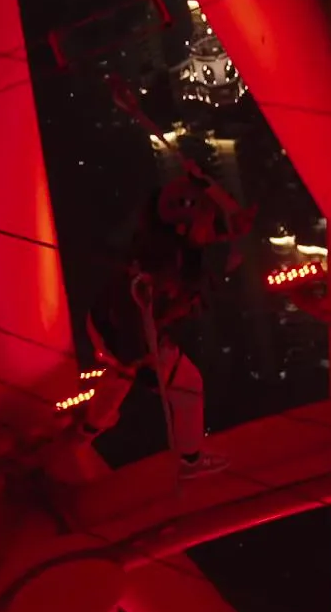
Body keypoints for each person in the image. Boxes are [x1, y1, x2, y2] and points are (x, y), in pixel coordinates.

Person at [67, 176, 235, 479]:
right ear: (183, 226)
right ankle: (191, 460)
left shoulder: (165, 245)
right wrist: (141, 358)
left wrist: (211, 190)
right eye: (204, 223)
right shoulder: (161, 266)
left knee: (118, 379)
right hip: (128, 336)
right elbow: (130, 312)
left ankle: (84, 433)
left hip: (105, 327)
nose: (210, 231)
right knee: (188, 385)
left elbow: (222, 229)